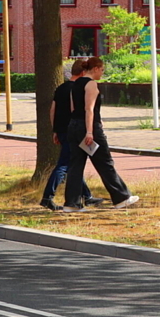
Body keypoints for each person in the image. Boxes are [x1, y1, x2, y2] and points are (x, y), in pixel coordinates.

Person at [63, 57, 139, 211]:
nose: (102, 73)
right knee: (105, 163)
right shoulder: (91, 84)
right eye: (102, 70)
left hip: (73, 126)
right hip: (89, 128)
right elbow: (89, 109)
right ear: (96, 68)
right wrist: (90, 131)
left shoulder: (75, 84)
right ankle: (121, 197)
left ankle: (72, 204)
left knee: (75, 166)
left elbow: (73, 108)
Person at [40, 60, 104, 211]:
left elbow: (53, 110)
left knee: (74, 164)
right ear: (83, 72)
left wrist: (55, 130)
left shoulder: (61, 88)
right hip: (73, 130)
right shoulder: (78, 88)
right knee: (65, 164)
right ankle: (47, 197)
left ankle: (87, 196)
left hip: (62, 130)